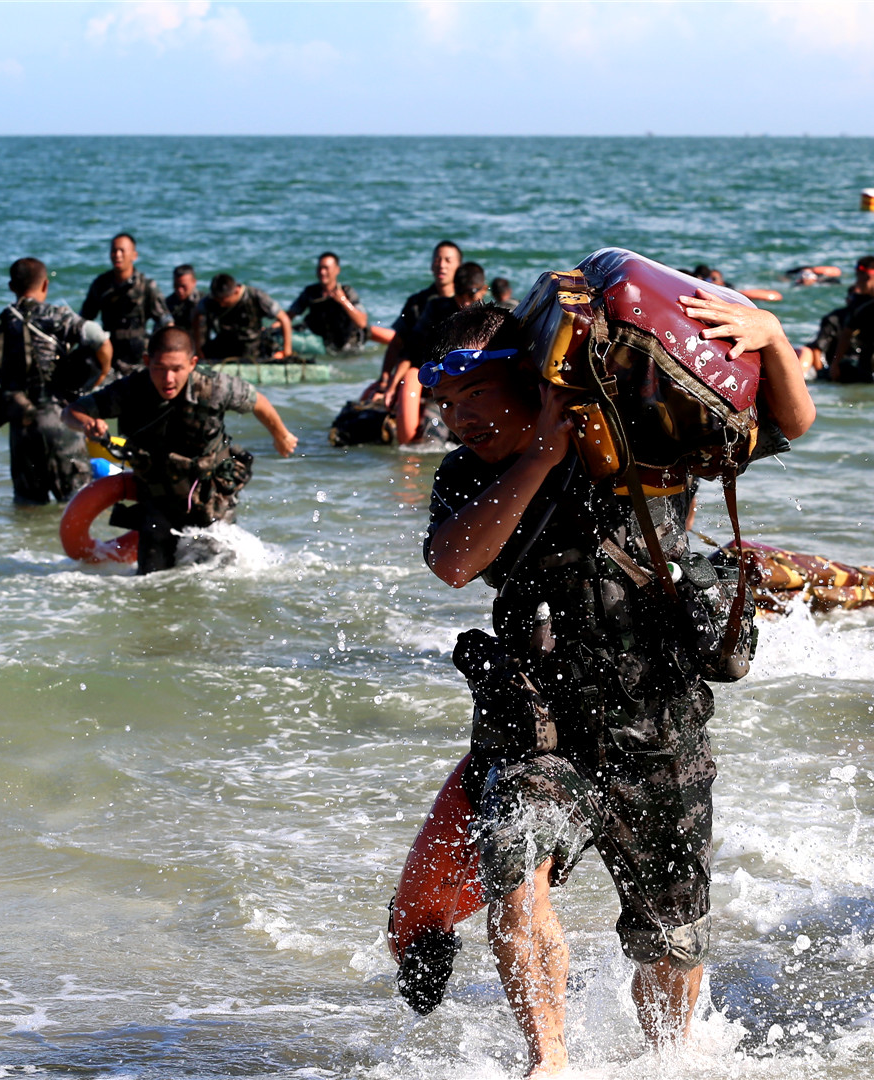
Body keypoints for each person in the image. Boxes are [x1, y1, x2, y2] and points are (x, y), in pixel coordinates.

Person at [420, 295, 814, 1075]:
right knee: (514, 861)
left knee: (670, 940)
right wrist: (537, 456)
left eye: (474, 399)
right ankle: (550, 1061)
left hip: (657, 718)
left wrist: (770, 338)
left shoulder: (644, 434)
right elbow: (454, 563)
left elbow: (788, 424)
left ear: (529, 380)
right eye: (447, 404)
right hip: (540, 720)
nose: (459, 420)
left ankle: (668, 1058)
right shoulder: (466, 475)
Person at [62, 327, 297, 574]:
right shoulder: (130, 390)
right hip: (158, 499)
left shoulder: (214, 386)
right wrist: (87, 423)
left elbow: (257, 401)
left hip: (211, 496)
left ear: (192, 363)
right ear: (146, 362)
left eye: (176, 369)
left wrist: (281, 435)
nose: (168, 379)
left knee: (220, 579)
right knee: (152, 582)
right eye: (160, 369)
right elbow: (70, 412)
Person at [0, 257, 113, 504]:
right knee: (76, 502)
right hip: (60, 419)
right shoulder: (56, 316)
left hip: (20, 426)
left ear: (12, 286)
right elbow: (100, 340)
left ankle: (28, 545)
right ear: (45, 285)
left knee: (28, 507)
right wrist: (102, 374)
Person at [367, 240, 463, 446]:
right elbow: (397, 343)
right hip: (420, 379)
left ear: (458, 266)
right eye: (437, 259)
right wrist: (385, 380)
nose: (442, 265)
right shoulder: (417, 302)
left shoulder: (468, 304)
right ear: (431, 265)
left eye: (448, 260)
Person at [81, 233, 174, 375]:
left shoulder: (146, 286)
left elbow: (166, 321)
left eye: (122, 251)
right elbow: (85, 319)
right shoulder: (101, 284)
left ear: (134, 255)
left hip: (139, 355)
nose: (117, 255)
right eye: (114, 251)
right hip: (110, 354)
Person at [286, 252, 378, 354]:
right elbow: (289, 316)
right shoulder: (310, 293)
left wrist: (343, 301)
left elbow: (362, 322)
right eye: (320, 268)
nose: (322, 272)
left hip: (347, 347)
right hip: (322, 345)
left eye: (326, 268)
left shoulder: (347, 292)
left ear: (337, 270)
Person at [194, 273, 293, 362]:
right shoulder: (212, 299)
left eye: (223, 300)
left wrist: (286, 351)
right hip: (224, 341)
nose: (221, 304)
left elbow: (284, 319)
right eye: (218, 300)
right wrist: (198, 350)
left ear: (236, 291)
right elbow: (196, 316)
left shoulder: (256, 296)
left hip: (251, 345)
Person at [166, 264, 202, 330]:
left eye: (184, 286)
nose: (179, 290)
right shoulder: (167, 303)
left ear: (194, 282)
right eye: (176, 285)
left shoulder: (203, 301)